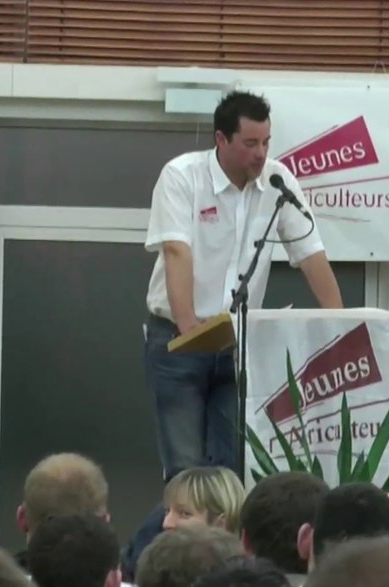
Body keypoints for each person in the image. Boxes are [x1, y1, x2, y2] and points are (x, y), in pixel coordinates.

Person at [142, 89, 343, 485]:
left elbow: (312, 256)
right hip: (178, 338)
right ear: (221, 139)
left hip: (236, 343)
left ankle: (227, 547)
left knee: (232, 470)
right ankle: (174, 546)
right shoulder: (182, 176)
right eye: (250, 143)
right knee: (185, 470)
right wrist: (188, 330)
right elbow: (176, 252)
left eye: (266, 142)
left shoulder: (278, 181)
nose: (260, 153)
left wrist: (341, 325)